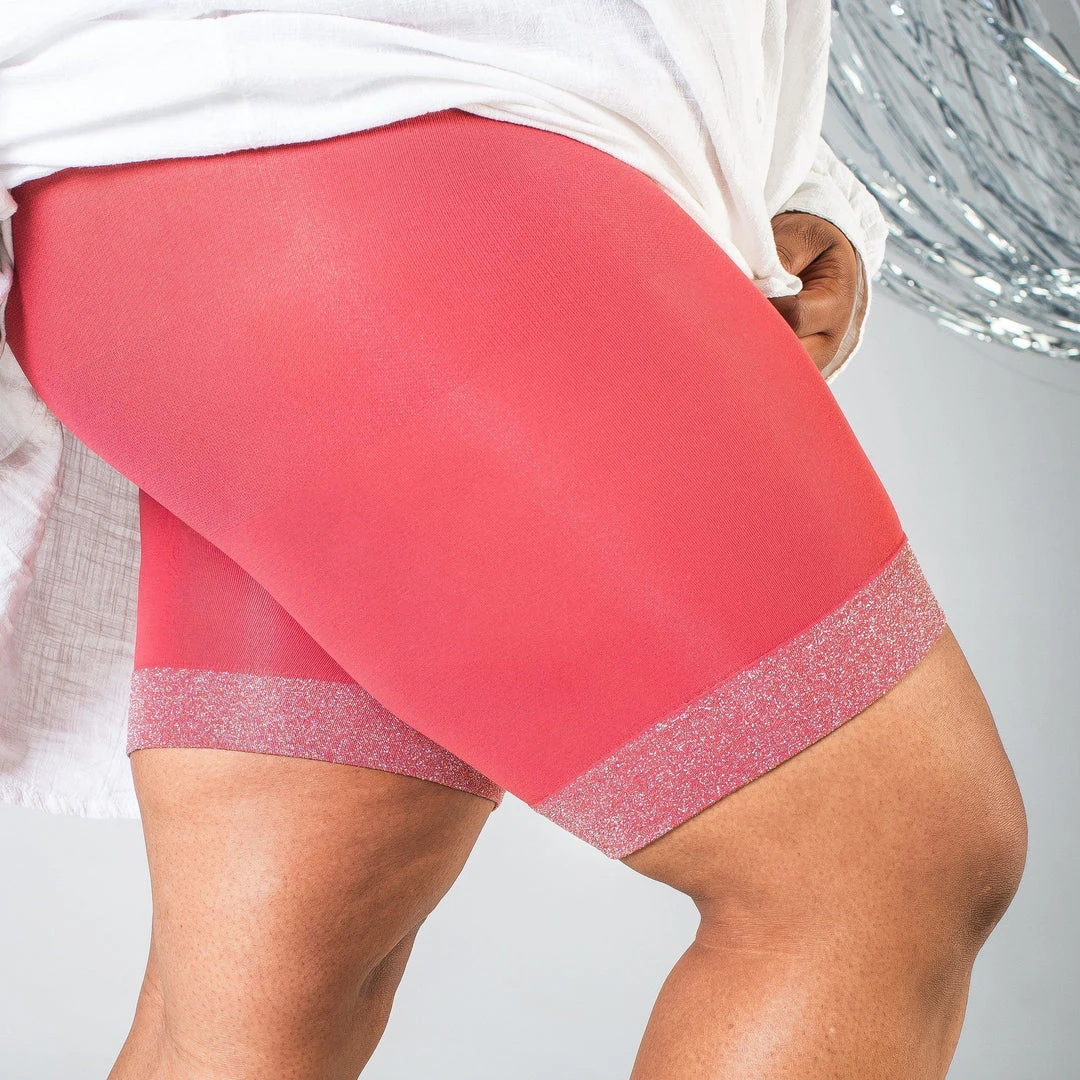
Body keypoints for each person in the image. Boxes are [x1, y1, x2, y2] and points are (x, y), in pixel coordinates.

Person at [0, 4, 1027, 1078]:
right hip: (383, 167)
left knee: (252, 1018)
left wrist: (773, 182)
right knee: (882, 858)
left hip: (206, 192)